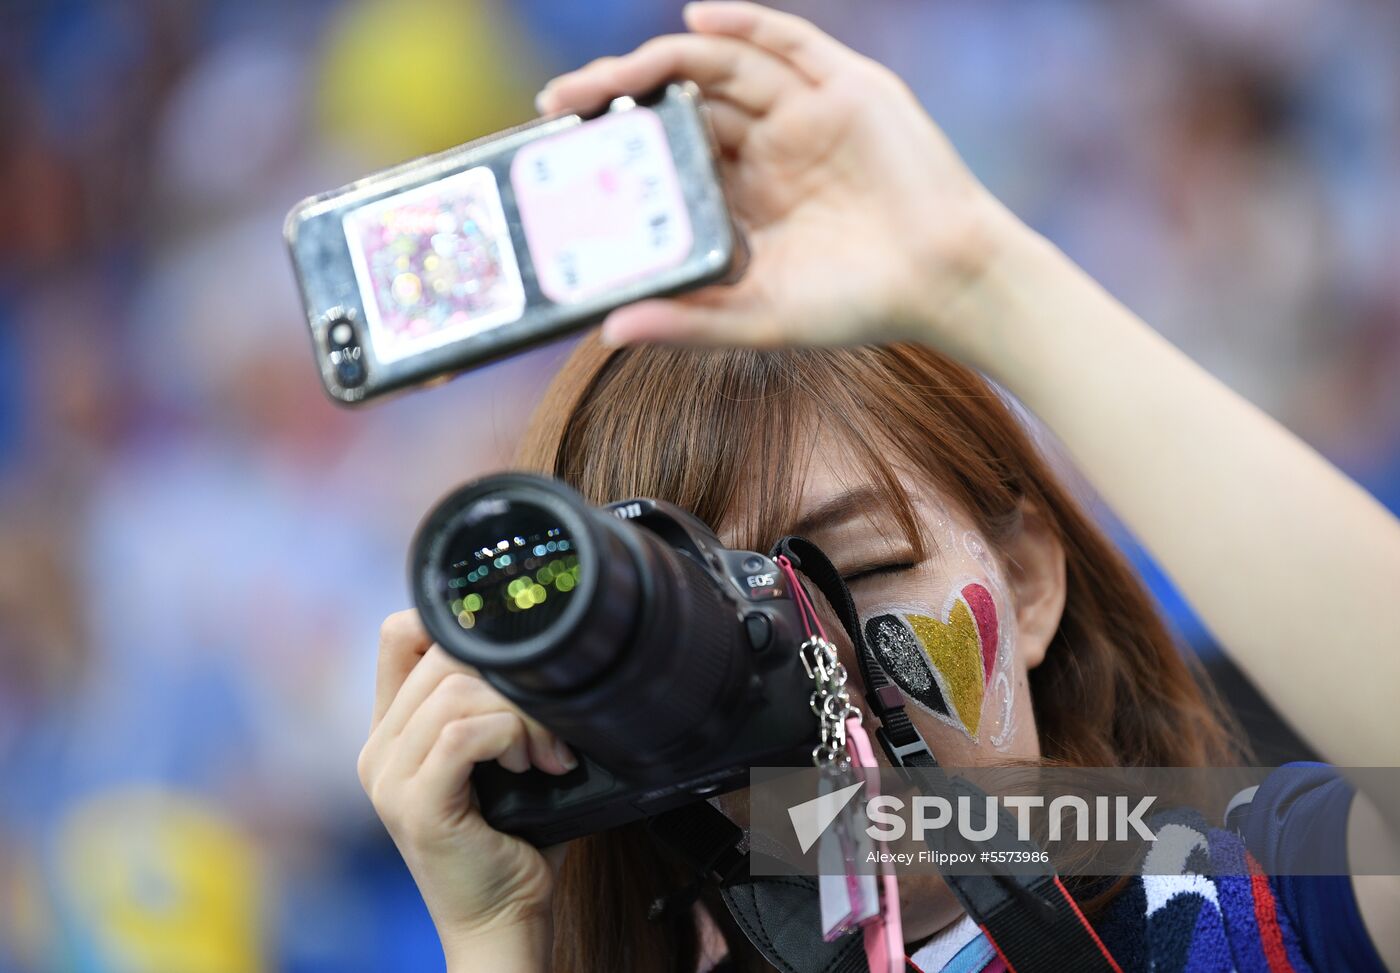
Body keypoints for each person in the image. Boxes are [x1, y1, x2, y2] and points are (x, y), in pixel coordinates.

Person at [354, 4, 1400, 970]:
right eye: (715, 625)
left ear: (1029, 578)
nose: (818, 669)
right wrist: (492, 936)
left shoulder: (1260, 902)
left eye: (855, 566)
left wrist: (976, 276)